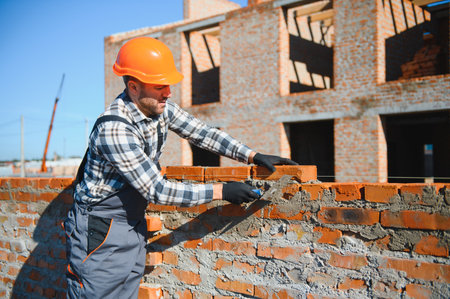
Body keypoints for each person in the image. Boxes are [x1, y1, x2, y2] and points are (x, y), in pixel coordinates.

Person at [63, 36, 297, 298]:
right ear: (134, 87)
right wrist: (221, 191)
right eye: (160, 85)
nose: (169, 92)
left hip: (131, 223)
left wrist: (252, 156)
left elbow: (203, 133)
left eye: (169, 84)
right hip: (100, 230)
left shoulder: (161, 108)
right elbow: (158, 191)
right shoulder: (115, 128)